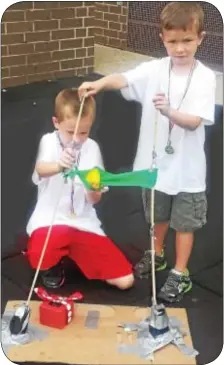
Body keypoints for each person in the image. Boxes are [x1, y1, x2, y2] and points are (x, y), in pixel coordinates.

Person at [78, 2, 216, 302]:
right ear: (162, 39)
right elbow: (124, 79)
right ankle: (157, 254)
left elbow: (194, 122)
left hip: (187, 171)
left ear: (200, 38)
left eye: (187, 41)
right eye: (173, 42)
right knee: (158, 215)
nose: (180, 49)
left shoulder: (205, 77)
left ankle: (180, 273)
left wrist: (168, 111)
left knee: (185, 223)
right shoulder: (155, 69)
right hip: (156, 168)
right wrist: (99, 84)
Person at [26, 88, 134, 290]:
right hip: (50, 220)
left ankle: (74, 254)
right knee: (39, 258)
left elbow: (94, 199)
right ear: (56, 123)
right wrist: (59, 166)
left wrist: (94, 188)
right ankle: (53, 261)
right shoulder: (49, 141)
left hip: (82, 222)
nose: (77, 138)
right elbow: (40, 169)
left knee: (125, 280)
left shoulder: (91, 148)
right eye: (70, 132)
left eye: (84, 132)